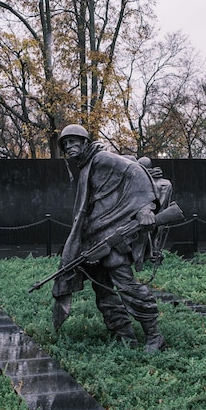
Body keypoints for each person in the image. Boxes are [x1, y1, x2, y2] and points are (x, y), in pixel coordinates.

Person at [52, 124, 166, 352]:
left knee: (127, 285)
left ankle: (154, 336)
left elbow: (136, 172)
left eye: (74, 141)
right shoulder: (86, 165)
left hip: (111, 233)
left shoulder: (102, 158)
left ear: (85, 142)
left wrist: (145, 208)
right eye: (66, 144)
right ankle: (124, 335)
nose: (69, 146)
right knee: (103, 290)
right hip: (93, 236)